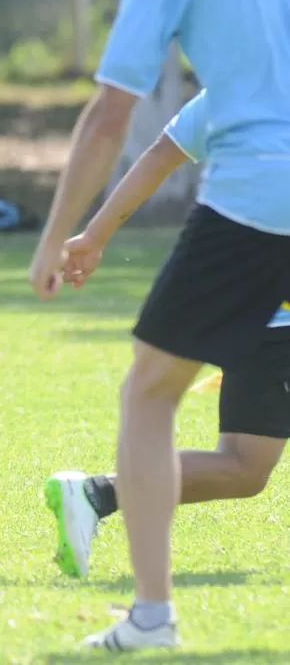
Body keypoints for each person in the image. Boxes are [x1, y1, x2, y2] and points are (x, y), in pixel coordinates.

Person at [27, 0, 290, 652]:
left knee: (150, 391)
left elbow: (110, 119)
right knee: (246, 455)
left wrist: (58, 235)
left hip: (256, 199)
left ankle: (151, 616)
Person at [43, 89, 290, 585]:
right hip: (273, 317)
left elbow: (162, 153)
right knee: (243, 466)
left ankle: (99, 494)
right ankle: (104, 500)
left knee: (243, 468)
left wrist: (95, 236)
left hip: (246, 304)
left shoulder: (234, 81)